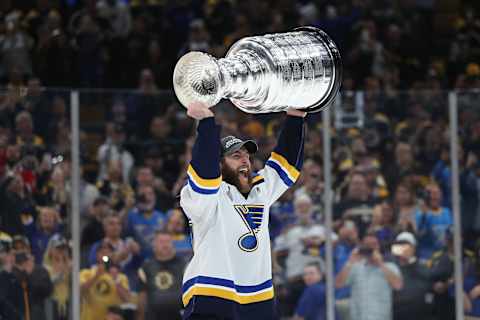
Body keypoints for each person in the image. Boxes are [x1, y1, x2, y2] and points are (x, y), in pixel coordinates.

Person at [180, 101, 307, 320]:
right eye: (236, 156)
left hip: (258, 297)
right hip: (212, 291)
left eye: (247, 156)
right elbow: (204, 173)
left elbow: (286, 164)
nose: (245, 161)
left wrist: (295, 117)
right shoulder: (206, 196)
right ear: (219, 165)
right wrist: (206, 123)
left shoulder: (260, 189)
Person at [335, 233, 403, 320]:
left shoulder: (390, 266)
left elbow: (398, 285)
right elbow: (338, 284)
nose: (371, 248)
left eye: (373, 245)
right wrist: (350, 262)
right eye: (367, 245)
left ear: (378, 246)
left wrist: (381, 264)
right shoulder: (355, 267)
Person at [137, 230, 187, 320]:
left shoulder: (184, 265)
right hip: (153, 316)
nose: (165, 245)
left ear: (173, 244)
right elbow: (142, 296)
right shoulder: (146, 267)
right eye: (161, 242)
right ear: (154, 245)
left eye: (168, 241)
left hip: (179, 316)